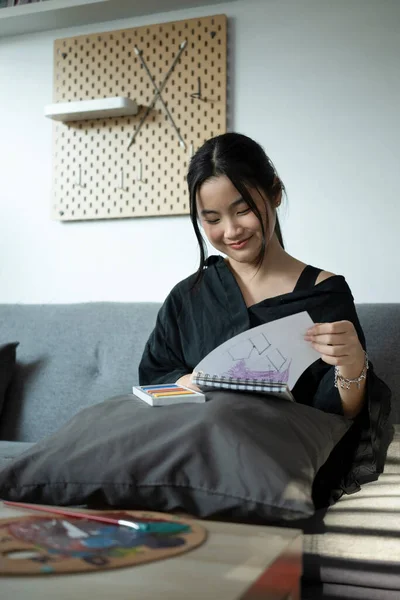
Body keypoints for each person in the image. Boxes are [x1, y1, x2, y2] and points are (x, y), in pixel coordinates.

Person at [139, 132, 391, 508]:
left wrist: (353, 366)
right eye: (211, 219)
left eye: (242, 211)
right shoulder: (187, 296)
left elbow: (339, 421)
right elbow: (152, 379)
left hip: (280, 464)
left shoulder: (325, 294)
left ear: (274, 192)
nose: (230, 231)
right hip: (194, 455)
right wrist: (186, 382)